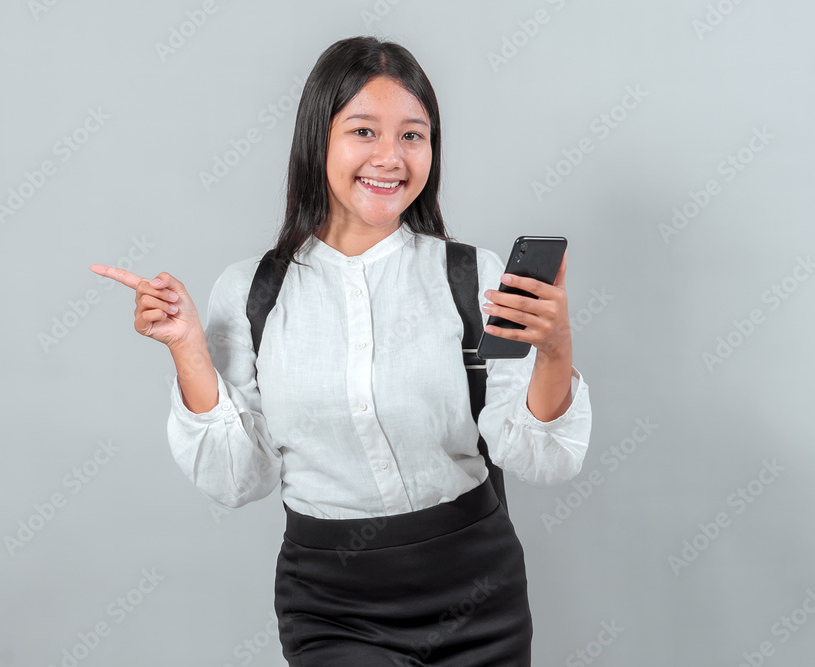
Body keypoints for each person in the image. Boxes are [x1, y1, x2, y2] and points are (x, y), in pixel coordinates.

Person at [91, 35, 591, 667]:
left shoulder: (473, 279)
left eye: (413, 135)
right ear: (318, 139)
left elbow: (542, 460)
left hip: (476, 591)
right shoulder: (251, 293)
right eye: (363, 131)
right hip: (333, 603)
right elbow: (238, 478)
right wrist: (188, 347)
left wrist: (556, 349)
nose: (390, 157)